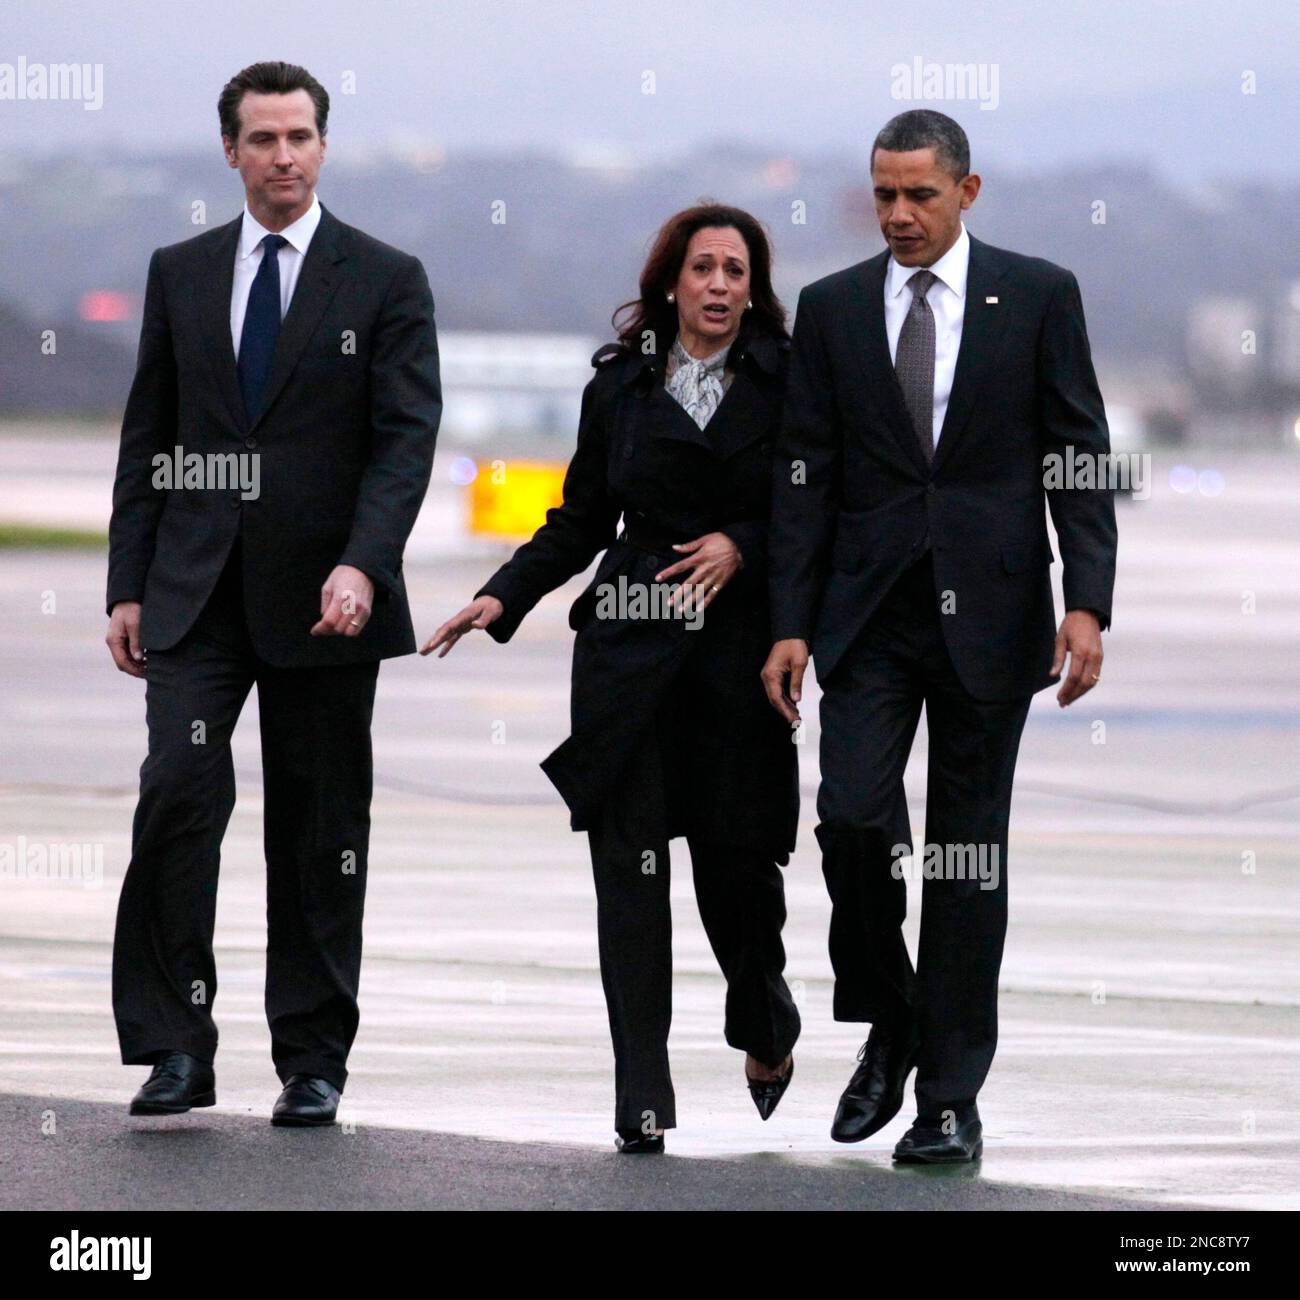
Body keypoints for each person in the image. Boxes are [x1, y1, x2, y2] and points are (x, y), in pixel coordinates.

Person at [763, 110, 1118, 1163]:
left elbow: (1076, 455)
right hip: (867, 618)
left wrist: (1088, 603)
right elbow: (804, 479)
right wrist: (787, 624)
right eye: (882, 194)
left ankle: (949, 1099)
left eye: (919, 193)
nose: (898, 214)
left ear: (967, 191)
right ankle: (893, 1018)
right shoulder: (830, 310)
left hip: (997, 618)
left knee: (966, 862)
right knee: (850, 818)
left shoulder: (1038, 295)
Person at [424, 205, 805, 1154]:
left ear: (754, 288)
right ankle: (642, 1093)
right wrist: (502, 596)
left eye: (735, 270)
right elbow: (582, 516)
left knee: (738, 875)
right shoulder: (621, 387)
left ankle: (764, 1021)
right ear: (670, 282)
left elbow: (816, 511)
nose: (718, 285)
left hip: (738, 661)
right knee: (629, 880)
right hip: (629, 658)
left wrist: (742, 545)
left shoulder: (792, 383)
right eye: (702, 268)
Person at [104, 61, 441, 1127]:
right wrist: (127, 584)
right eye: (263, 139)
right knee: (176, 797)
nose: (283, 155)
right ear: (232, 152)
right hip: (194, 595)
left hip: (325, 601)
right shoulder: (182, 269)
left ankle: (310, 1059)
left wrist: (364, 560)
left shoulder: (385, 277)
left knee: (319, 828)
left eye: (300, 136)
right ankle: (174, 1044)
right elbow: (148, 436)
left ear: (323, 147)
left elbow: (404, 441)